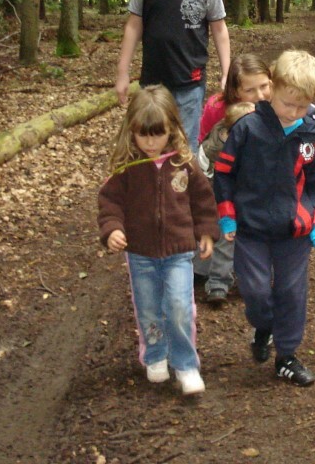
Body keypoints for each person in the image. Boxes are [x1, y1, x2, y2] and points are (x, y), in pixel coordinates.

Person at [213, 50, 315, 387]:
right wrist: (228, 216)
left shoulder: (311, 136)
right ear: (273, 89)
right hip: (251, 227)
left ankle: (287, 355)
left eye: (301, 106)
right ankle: (264, 325)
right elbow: (224, 173)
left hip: (295, 230)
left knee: (291, 292)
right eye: (286, 104)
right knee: (254, 291)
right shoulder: (248, 128)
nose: (293, 112)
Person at [97, 86, 219, 396]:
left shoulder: (184, 164)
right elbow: (110, 203)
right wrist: (112, 229)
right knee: (149, 308)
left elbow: (203, 200)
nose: (151, 142)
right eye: (143, 135)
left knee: (179, 306)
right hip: (141, 254)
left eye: (158, 134)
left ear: (172, 129)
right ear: (132, 131)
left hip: (179, 251)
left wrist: (206, 231)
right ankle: (155, 354)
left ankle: (185, 364)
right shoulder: (127, 168)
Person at [114, 0, 230, 153]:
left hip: (190, 80)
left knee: (185, 147)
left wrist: (227, 72)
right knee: (149, 143)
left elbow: (219, 28)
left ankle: (182, 179)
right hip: (152, 83)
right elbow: (134, 25)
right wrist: (122, 72)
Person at [193, 54, 273, 305]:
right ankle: (208, 271)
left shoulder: (278, 105)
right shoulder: (217, 108)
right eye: (250, 90)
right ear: (236, 91)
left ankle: (256, 273)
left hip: (260, 181)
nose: (260, 95)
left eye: (264, 86)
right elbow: (204, 145)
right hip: (221, 177)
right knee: (220, 222)